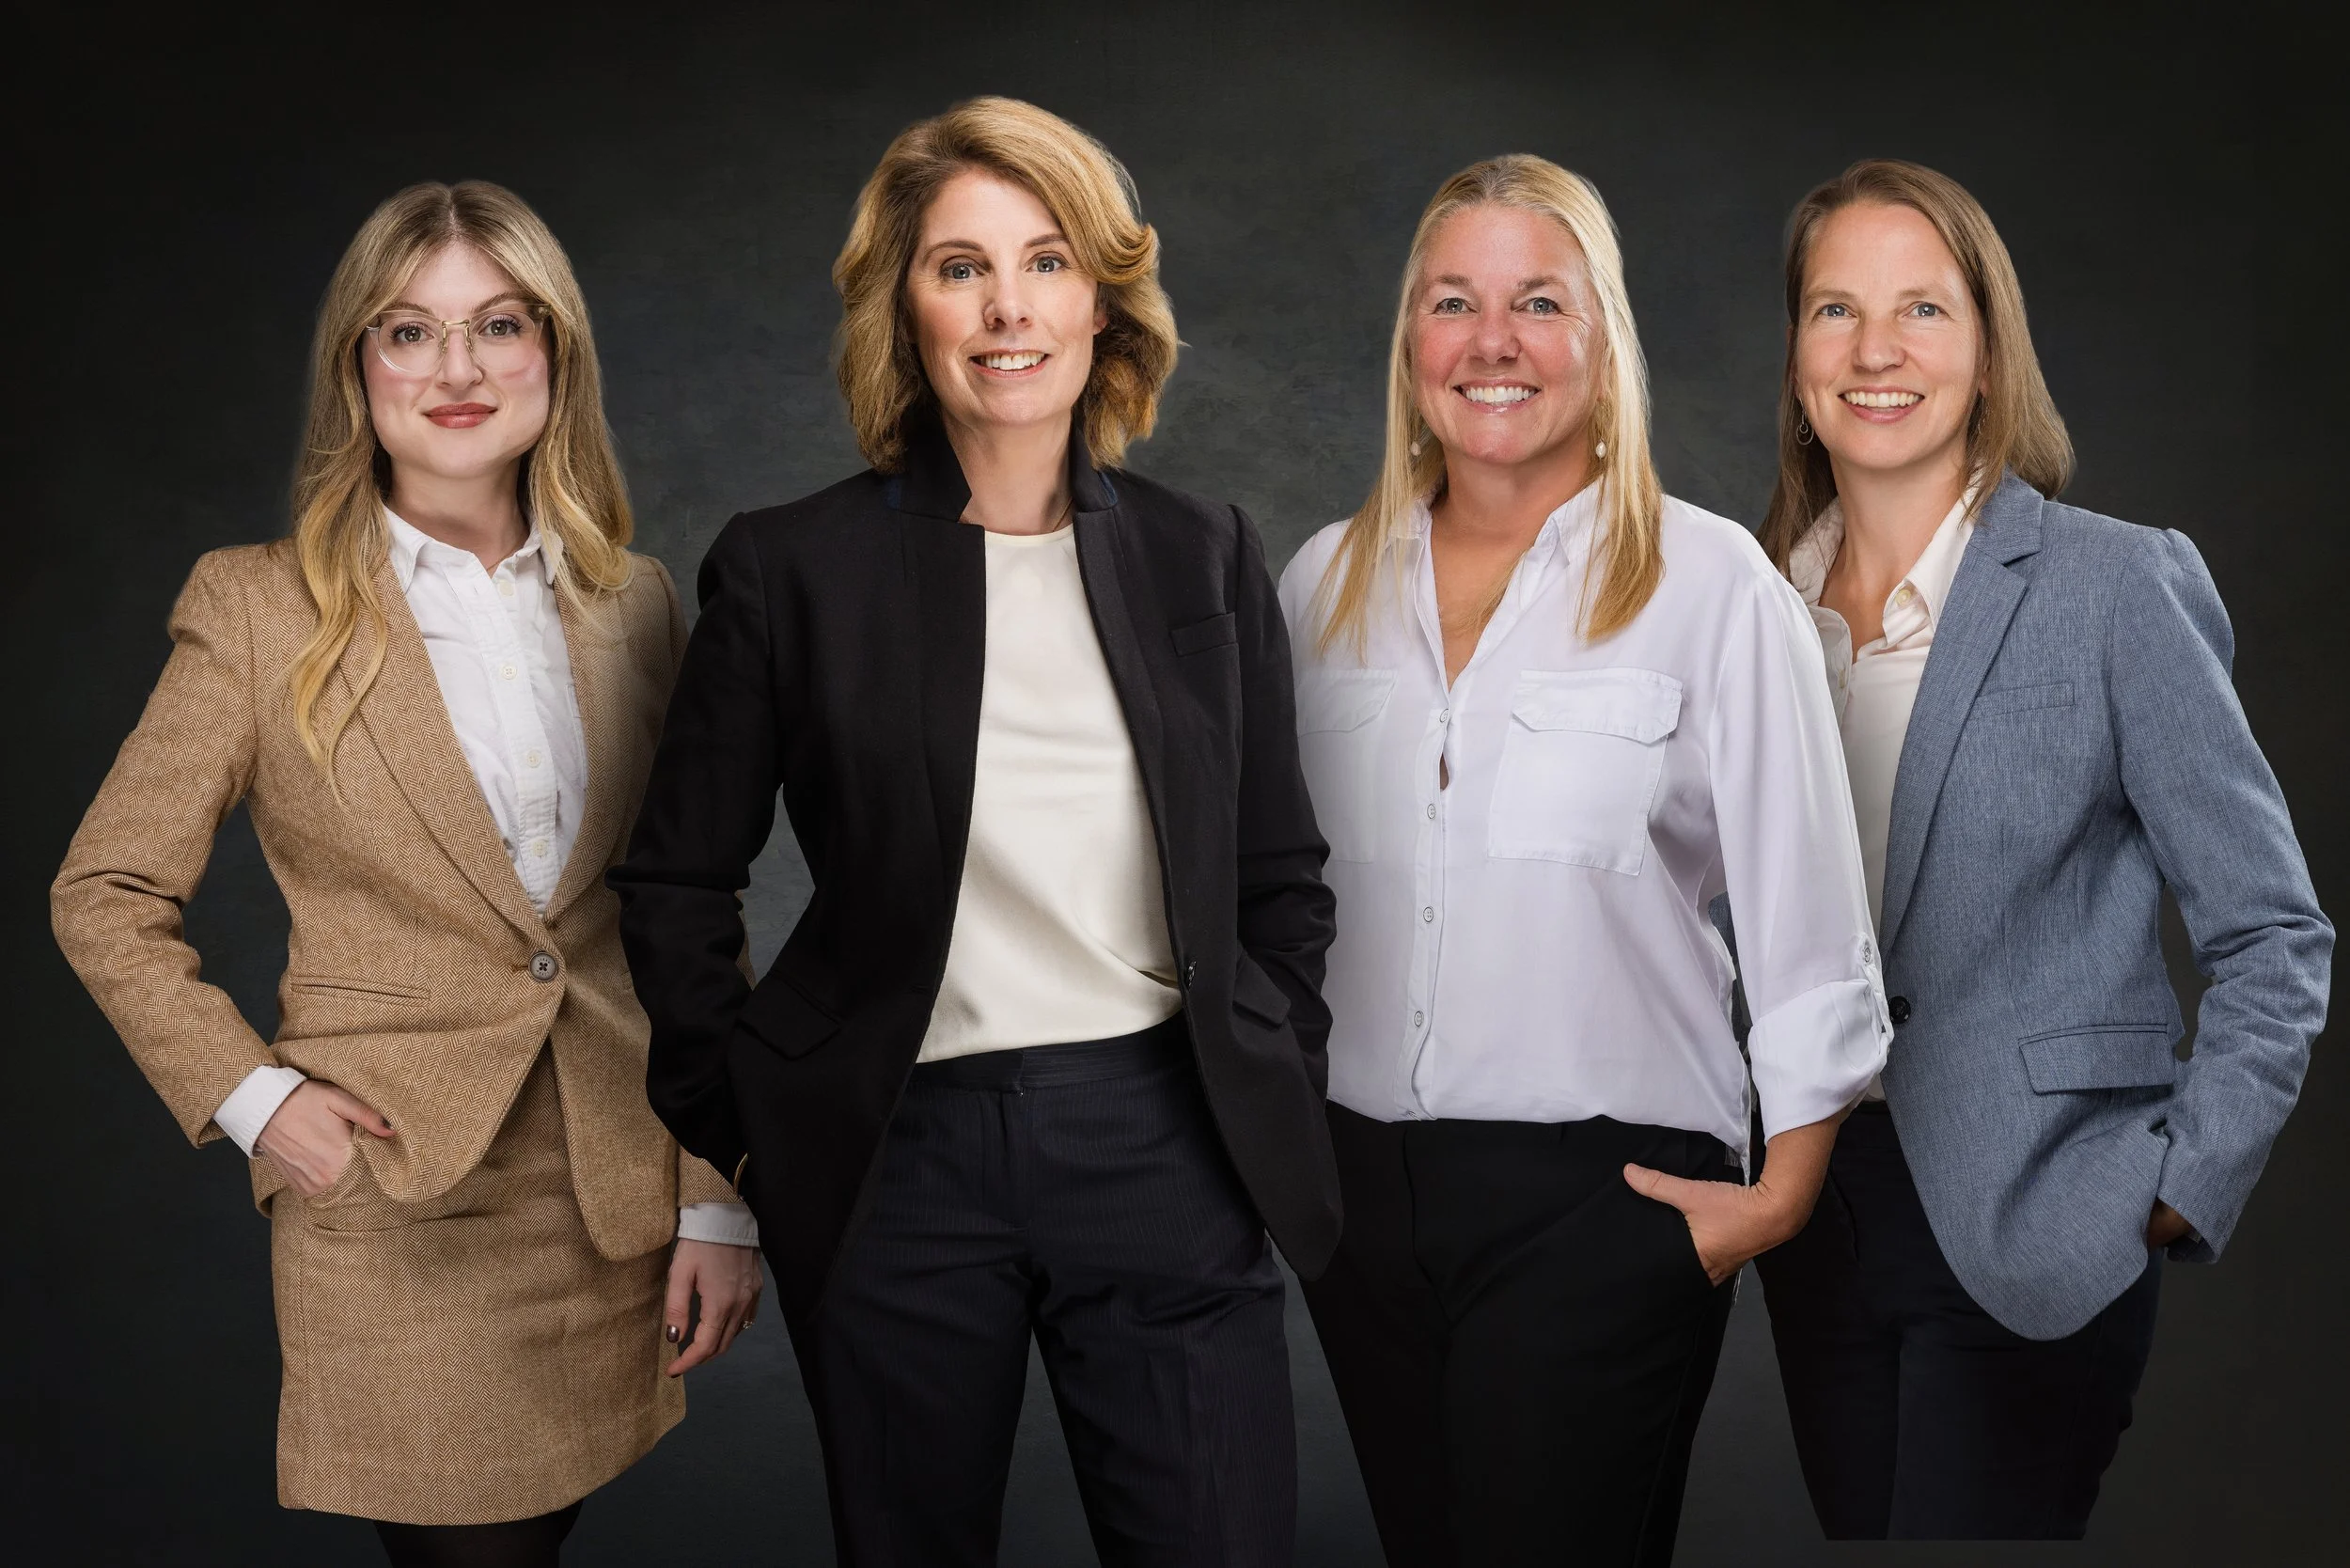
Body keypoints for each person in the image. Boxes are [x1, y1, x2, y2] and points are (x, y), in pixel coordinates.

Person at [609, 97, 1339, 1567]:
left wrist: (1267, 1062)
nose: (1009, 307)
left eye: (1047, 260)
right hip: (896, 1157)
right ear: (909, 309)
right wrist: (746, 1123)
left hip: (1163, 1141)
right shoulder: (789, 569)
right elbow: (679, 876)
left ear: (1102, 300)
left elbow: (1279, 877)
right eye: (960, 268)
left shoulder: (1206, 554)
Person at [51, 181, 759, 1568]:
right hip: (397, 1201)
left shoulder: (639, 603)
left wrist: (718, 1192)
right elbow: (106, 893)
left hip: (613, 1191)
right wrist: (255, 1101)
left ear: (555, 358)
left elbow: (688, 919)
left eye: (500, 325)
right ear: (355, 369)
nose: (457, 370)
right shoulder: (257, 609)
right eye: (408, 331)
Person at [1277, 154, 1889, 1568]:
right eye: (1454, 301)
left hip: (1602, 1210)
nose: (1492, 342)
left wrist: (1777, 1195)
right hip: (1357, 1201)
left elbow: (1810, 918)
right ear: (1411, 345)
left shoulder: (1712, 582)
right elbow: (1274, 901)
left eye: (1538, 301)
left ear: (1603, 342)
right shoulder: (1321, 586)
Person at [1750, 157, 2333, 1540]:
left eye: (1923, 311)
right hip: (1820, 1218)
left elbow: (2272, 933)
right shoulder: (1749, 609)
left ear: (1990, 346)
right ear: (1796, 354)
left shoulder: (2117, 585)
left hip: (2042, 1218)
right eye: (1836, 311)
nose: (1876, 351)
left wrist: (2177, 1187)